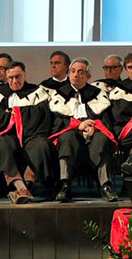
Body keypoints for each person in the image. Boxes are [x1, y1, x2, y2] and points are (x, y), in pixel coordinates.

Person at [0, 61, 55, 204]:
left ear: (24, 74)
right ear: (6, 77)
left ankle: (27, 184)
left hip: (32, 133)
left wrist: (14, 113)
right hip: (6, 134)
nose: (14, 81)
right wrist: (18, 114)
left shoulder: (37, 92)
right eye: (11, 78)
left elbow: (40, 117)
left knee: (40, 146)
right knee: (1, 145)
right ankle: (21, 187)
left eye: (18, 76)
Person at [48, 58, 118, 202]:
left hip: (94, 132)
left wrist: (93, 127)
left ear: (88, 76)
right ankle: (65, 186)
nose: (76, 75)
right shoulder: (59, 95)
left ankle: (106, 186)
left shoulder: (98, 94)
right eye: (73, 71)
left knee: (101, 139)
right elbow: (58, 123)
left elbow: (106, 121)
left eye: (80, 72)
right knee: (67, 138)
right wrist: (78, 125)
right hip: (70, 133)